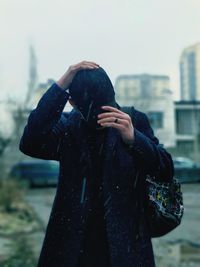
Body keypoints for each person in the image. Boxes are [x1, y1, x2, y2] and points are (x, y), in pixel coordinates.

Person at [19, 61, 174, 267]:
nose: (102, 117)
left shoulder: (134, 120)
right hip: (73, 245)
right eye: (95, 111)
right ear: (73, 104)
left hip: (125, 244)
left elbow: (165, 170)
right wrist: (61, 85)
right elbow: (30, 142)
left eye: (106, 106)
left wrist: (135, 139)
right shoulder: (68, 127)